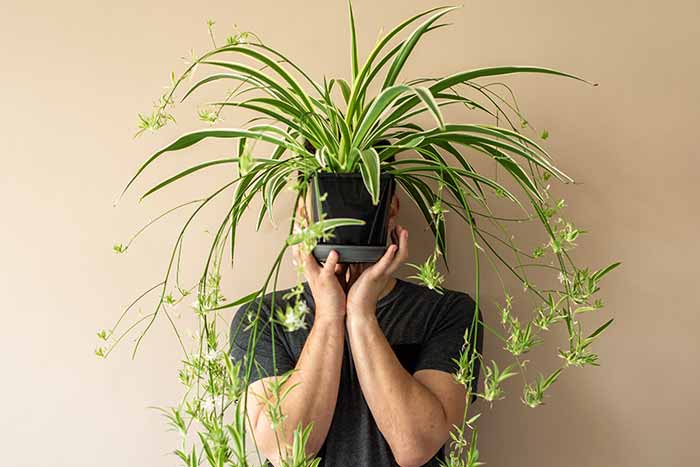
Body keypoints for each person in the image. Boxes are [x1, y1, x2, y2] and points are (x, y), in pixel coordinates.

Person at [229, 183, 483, 467]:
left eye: (364, 192)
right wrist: (328, 316)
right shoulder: (263, 318)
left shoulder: (447, 312)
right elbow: (287, 451)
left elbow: (415, 447)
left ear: (392, 207)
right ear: (304, 212)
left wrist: (362, 315)